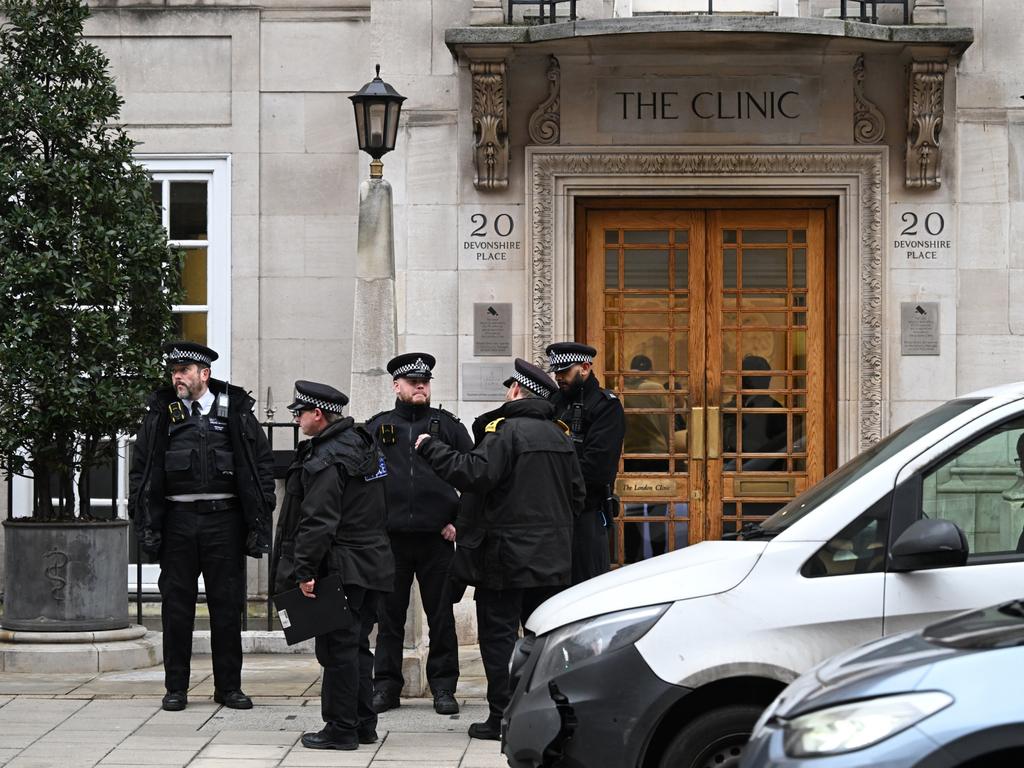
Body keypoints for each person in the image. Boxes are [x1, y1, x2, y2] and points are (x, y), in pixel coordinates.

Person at [414, 358, 584, 740]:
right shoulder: (560, 435)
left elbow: (475, 473)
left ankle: (503, 717)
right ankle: (547, 712)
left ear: (515, 392)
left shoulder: (506, 433)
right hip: (550, 560)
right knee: (544, 640)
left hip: (505, 561)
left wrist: (430, 448)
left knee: (499, 639)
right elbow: (577, 495)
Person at [129, 341, 275, 712]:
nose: (177, 376)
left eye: (185, 370)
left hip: (223, 521)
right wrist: (147, 519)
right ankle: (175, 687)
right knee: (176, 608)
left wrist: (261, 512)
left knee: (227, 607)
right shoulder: (161, 413)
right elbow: (142, 467)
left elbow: (261, 464)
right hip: (178, 521)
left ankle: (229, 688)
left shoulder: (235, 412)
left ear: (204, 374)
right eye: (174, 370)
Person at [271, 381, 395, 751]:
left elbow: (318, 521)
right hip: (371, 562)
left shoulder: (327, 458)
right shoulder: (362, 445)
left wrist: (305, 572)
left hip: (342, 565)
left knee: (337, 649)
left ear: (318, 414)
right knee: (357, 645)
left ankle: (341, 728)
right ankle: (361, 724)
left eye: (299, 413)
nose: (295, 419)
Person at [366, 353, 472, 716]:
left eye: (425, 380)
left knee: (441, 617)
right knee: (389, 618)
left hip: (435, 539)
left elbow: (474, 477)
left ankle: (443, 687)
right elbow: (362, 482)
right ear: (397, 386)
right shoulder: (378, 428)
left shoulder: (449, 427)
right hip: (391, 540)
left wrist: (459, 520)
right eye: (412, 381)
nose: (421, 385)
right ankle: (386, 687)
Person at [547, 341, 625, 584]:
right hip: (551, 515)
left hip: (585, 514)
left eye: (564, 371)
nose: (559, 377)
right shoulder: (554, 402)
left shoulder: (606, 406)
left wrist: (549, 477)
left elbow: (596, 469)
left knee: (585, 588)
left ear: (585, 367)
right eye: (556, 372)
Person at [722, 355, 787, 471]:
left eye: (741, 375)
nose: (738, 380)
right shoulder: (738, 404)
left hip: (755, 473)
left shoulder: (774, 410)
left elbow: (769, 451)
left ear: (748, 379)